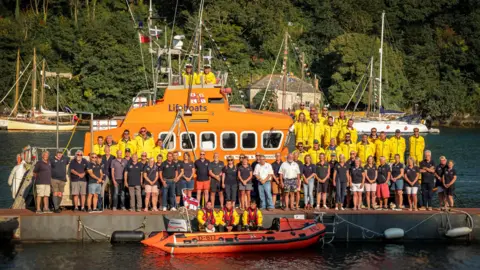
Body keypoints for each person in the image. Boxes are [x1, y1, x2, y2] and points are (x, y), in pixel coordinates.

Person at [100, 146, 115, 210]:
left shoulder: (113, 157)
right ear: (104, 150)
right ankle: (102, 205)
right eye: (105, 150)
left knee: (111, 192)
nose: (107, 151)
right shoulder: (102, 157)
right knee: (102, 190)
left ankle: (110, 205)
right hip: (103, 176)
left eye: (108, 150)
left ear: (110, 150)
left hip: (111, 176)